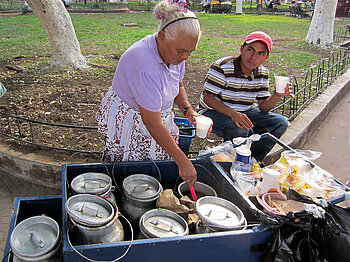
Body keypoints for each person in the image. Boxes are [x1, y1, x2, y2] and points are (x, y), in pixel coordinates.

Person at [97, 0, 205, 186]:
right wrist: (183, 161)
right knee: (126, 171)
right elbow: (151, 123)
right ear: (162, 36)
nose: (186, 57)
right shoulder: (143, 63)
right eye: (182, 51)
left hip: (153, 118)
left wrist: (188, 111)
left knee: (150, 165)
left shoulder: (176, 52)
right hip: (134, 119)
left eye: (190, 52)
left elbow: (177, 85)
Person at [198, 31, 293, 163]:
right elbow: (208, 98)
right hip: (213, 111)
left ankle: (251, 160)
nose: (253, 57)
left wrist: (277, 94)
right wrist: (233, 114)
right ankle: (232, 162)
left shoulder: (262, 73)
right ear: (242, 49)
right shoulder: (222, 67)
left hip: (245, 110)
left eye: (261, 53)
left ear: (266, 57)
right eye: (250, 50)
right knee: (241, 129)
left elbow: (264, 108)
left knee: (280, 123)